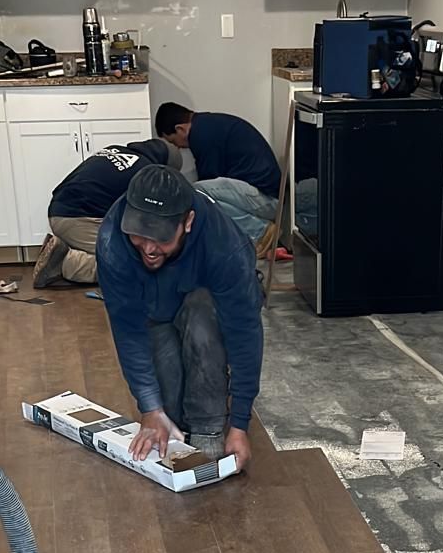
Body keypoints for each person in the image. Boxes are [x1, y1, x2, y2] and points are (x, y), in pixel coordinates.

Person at [96, 163, 263, 472]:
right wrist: (150, 408)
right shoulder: (113, 242)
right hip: (152, 310)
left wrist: (239, 425)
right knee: (169, 416)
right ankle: (175, 416)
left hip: (203, 307)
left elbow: (244, 335)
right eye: (140, 234)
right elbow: (128, 329)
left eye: (159, 237)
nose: (148, 247)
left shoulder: (225, 248)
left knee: (202, 311)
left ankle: (209, 426)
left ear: (187, 222)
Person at [32, 130, 183, 288]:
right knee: (131, 267)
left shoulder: (116, 149)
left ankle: (64, 249)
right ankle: (64, 263)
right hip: (79, 218)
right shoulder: (147, 172)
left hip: (58, 211)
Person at [157, 103, 282, 250]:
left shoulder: (201, 134)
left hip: (266, 199)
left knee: (198, 193)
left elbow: (206, 185)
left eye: (173, 141)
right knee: (203, 197)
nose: (177, 147)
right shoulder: (208, 125)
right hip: (268, 195)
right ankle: (260, 231)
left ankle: (260, 231)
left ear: (180, 129)